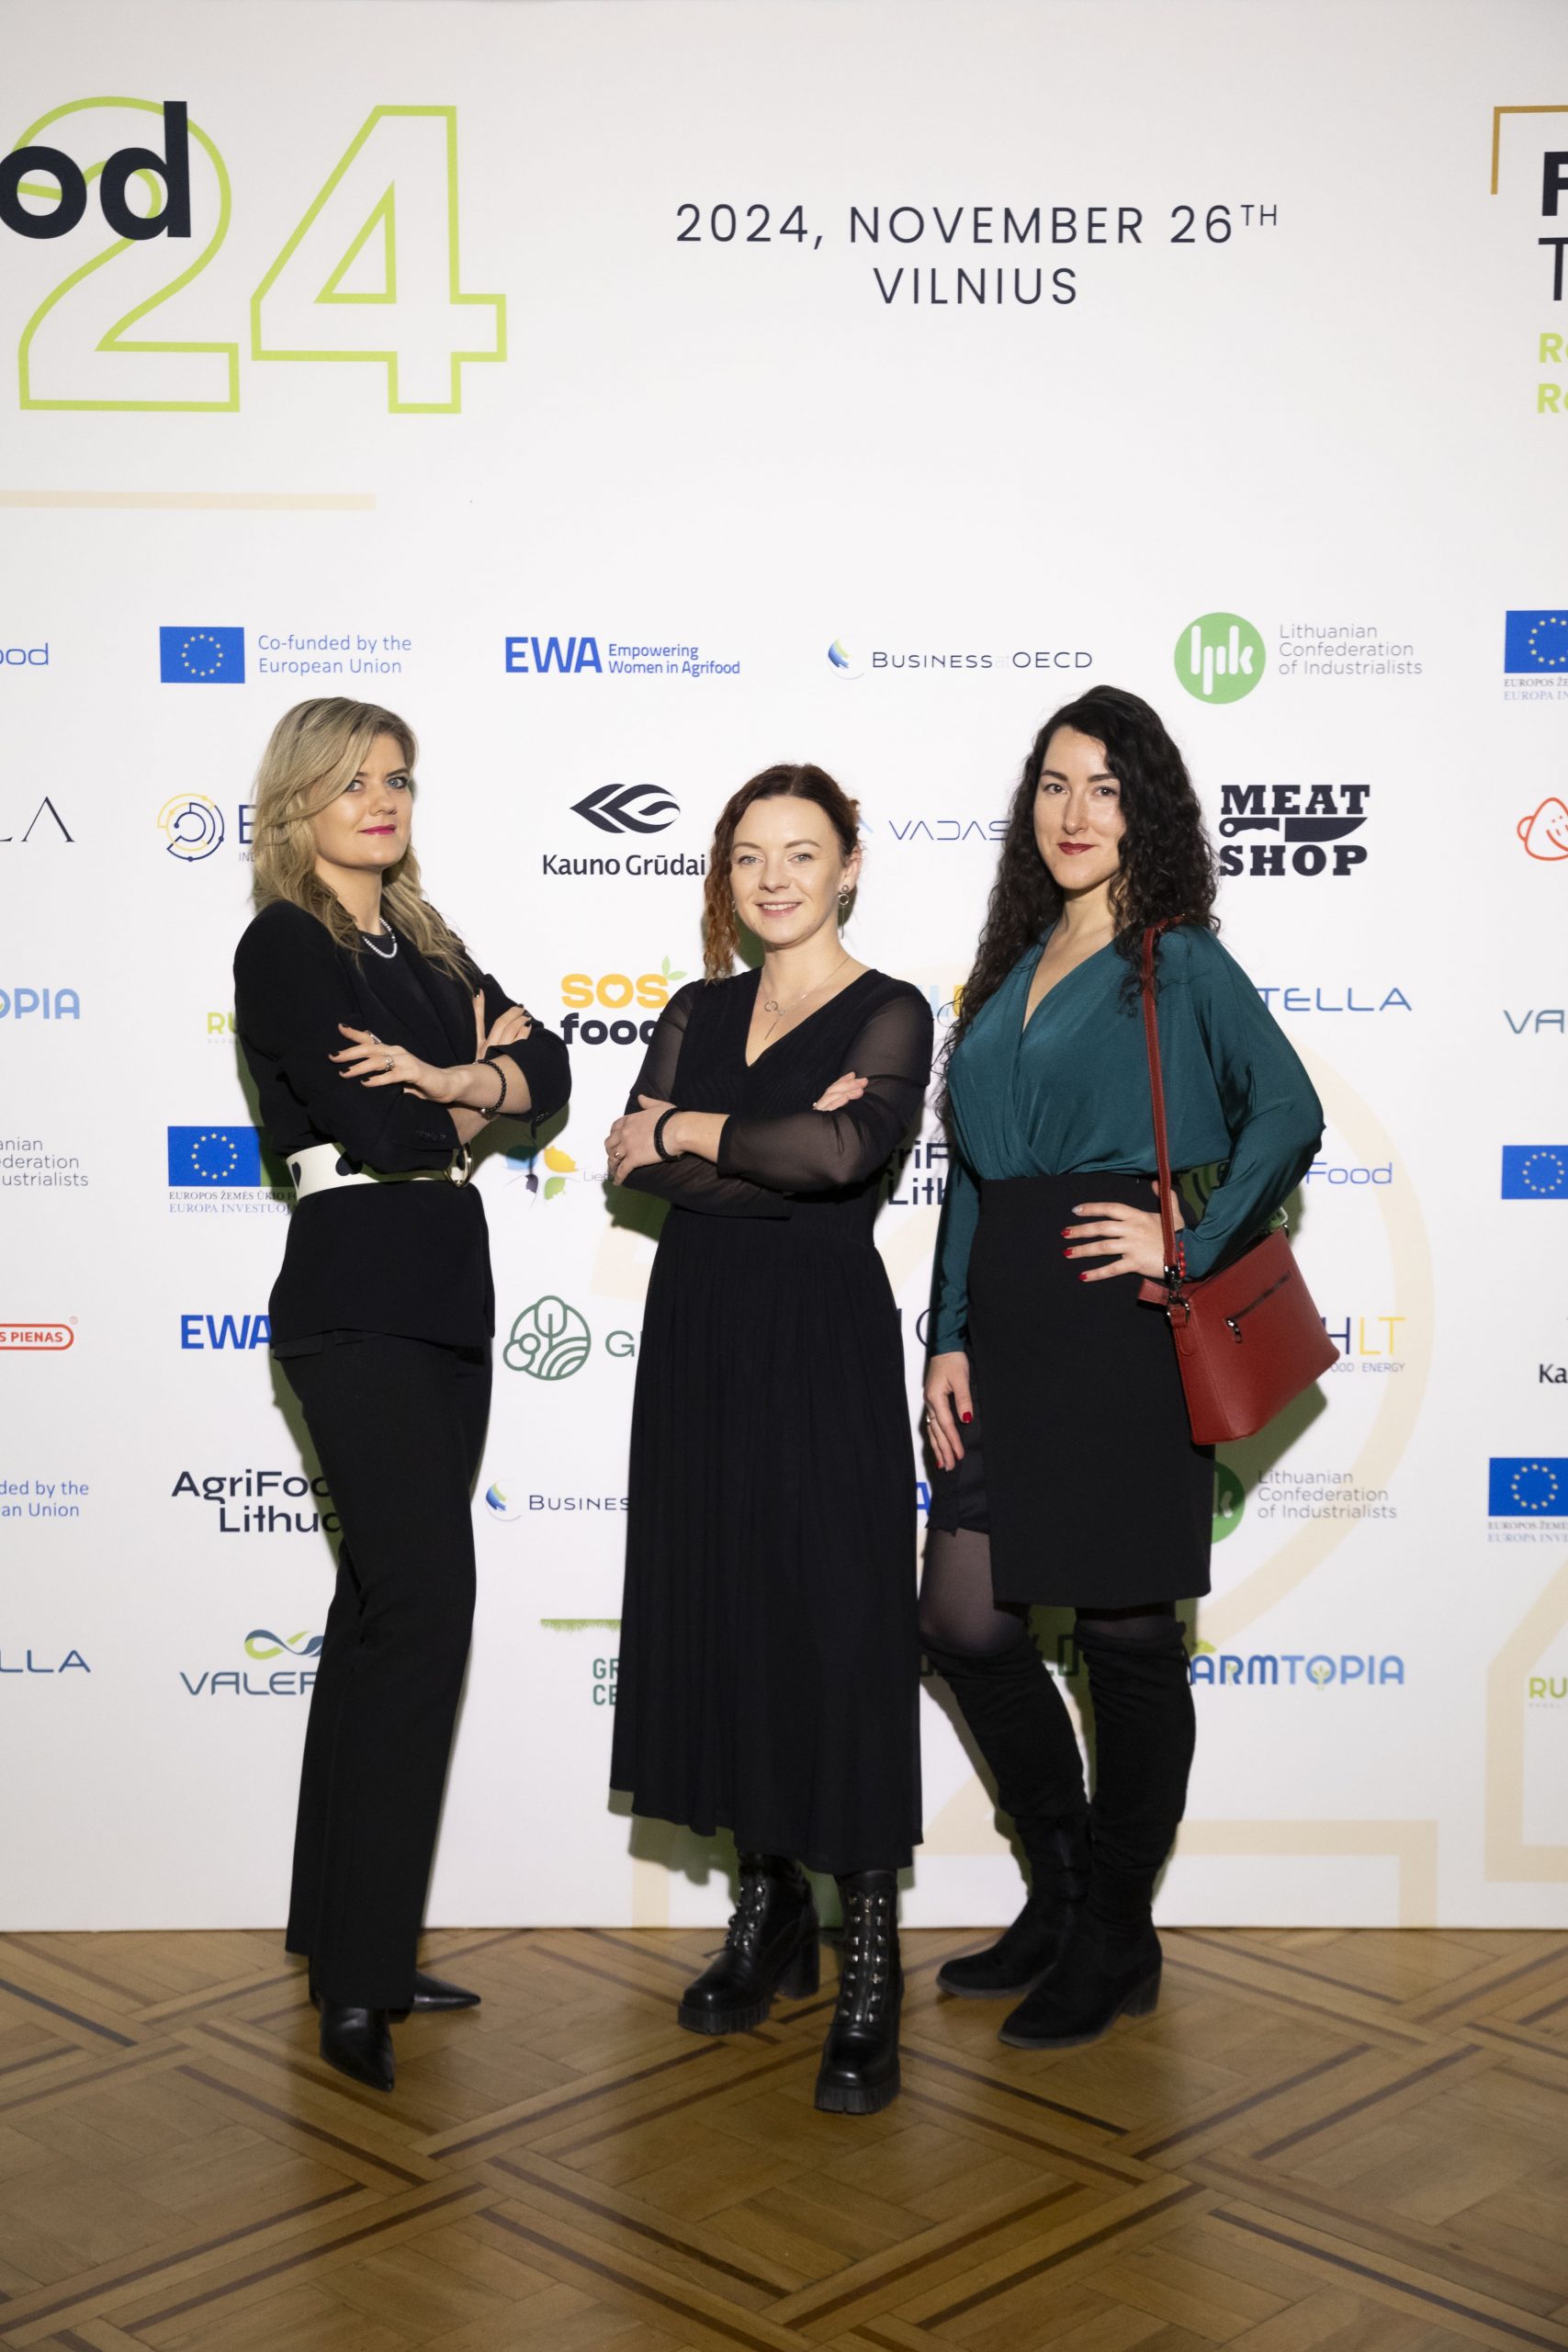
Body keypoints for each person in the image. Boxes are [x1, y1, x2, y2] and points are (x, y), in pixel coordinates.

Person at [921, 686, 1323, 2050]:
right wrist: (946, 1335)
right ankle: (1064, 1889)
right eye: (1053, 784)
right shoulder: (1008, 972)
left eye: (1102, 786)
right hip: (1006, 1341)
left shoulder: (1177, 961)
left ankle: (1115, 1934)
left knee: (1126, 1643)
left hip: (1123, 1333)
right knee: (963, 1625)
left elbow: (1287, 1110)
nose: (1074, 812)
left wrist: (1191, 1241)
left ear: (1144, 806)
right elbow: (973, 1180)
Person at [233, 697, 570, 2093]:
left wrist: (455, 1075)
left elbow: (554, 1070)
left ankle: (347, 1935)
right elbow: (374, 1122)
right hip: (355, 1297)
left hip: (446, 1294)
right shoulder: (285, 943)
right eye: (354, 780)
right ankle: (359, 1982)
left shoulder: (424, 944)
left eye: (399, 778)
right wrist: (472, 1089)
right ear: (299, 800)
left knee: (377, 1616)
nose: (383, 799)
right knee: (423, 1614)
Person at [605, 763, 932, 2115]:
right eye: (749, 855)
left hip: (820, 1345)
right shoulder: (695, 1010)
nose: (775, 878)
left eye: (802, 852)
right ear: (724, 875)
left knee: (839, 1629)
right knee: (729, 1610)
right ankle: (770, 1909)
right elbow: (641, 1163)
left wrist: (695, 1131)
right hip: (702, 1341)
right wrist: (770, 1143)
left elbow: (843, 1163)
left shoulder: (895, 1009)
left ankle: (871, 1957)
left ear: (849, 864)